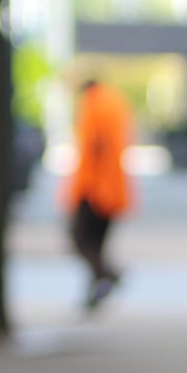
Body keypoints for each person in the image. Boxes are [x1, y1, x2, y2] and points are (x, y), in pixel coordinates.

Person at [62, 76, 132, 310]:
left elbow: (95, 146)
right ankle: (94, 294)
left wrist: (86, 189)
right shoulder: (115, 101)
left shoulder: (94, 105)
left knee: (79, 239)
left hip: (95, 190)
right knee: (96, 245)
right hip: (112, 189)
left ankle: (109, 275)